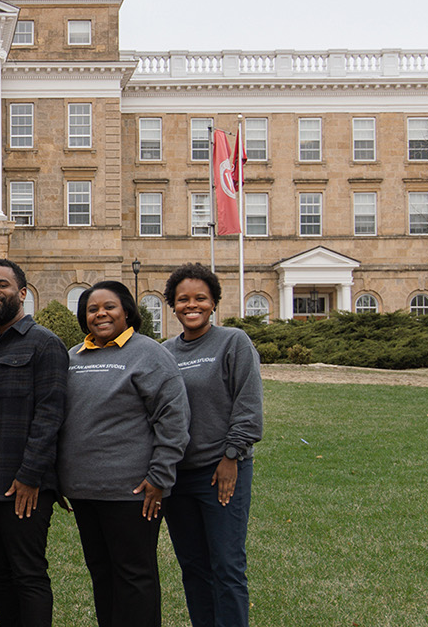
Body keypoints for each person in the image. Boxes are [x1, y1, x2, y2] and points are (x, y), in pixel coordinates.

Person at [58, 280, 189, 627]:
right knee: (102, 574)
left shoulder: (149, 354)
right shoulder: (73, 357)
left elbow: (173, 420)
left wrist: (160, 477)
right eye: (91, 308)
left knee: (135, 576)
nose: (100, 313)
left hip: (133, 493)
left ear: (127, 311)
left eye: (109, 307)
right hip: (84, 492)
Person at [0, 259, 67, 627]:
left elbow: (50, 415)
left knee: (28, 573)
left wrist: (30, 476)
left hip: (23, 485)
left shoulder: (45, 344)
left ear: (22, 293)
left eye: (2, 285)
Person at [160, 264, 264, 627]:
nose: (192, 305)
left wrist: (231, 456)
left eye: (200, 298)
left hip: (222, 471)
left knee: (227, 564)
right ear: (172, 306)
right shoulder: (164, 352)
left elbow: (248, 406)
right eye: (183, 299)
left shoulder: (233, 342)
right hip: (177, 478)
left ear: (214, 303)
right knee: (193, 566)